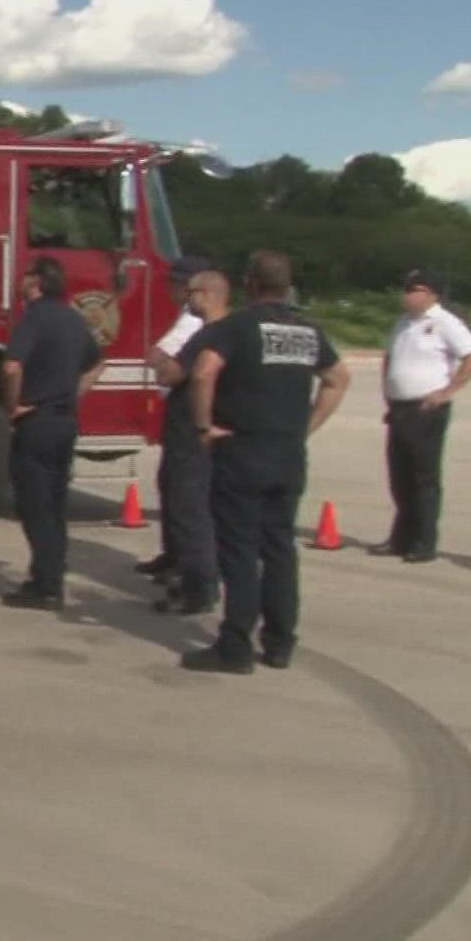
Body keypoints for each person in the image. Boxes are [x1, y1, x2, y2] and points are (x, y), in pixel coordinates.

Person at [185, 251, 350, 673]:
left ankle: (236, 645)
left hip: (243, 450)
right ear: (287, 285)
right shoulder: (307, 330)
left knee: (239, 550)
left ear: (251, 284)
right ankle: (280, 641)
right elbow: (337, 379)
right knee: (279, 549)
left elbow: (204, 373)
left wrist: (204, 428)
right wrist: (306, 427)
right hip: (288, 455)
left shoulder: (237, 327)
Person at [0, 257, 105, 611]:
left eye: (26, 275)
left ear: (36, 283)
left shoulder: (35, 318)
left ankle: (44, 585)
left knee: (35, 505)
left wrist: (13, 406)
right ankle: (52, 576)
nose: (20, 280)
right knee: (56, 505)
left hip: (38, 423)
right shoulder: (74, 319)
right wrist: (71, 394)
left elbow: (12, 366)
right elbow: (97, 363)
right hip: (65, 423)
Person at [374, 268, 471, 563]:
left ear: (432, 294)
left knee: (424, 478)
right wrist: (388, 392)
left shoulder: (445, 323)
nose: (408, 295)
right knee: (399, 477)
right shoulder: (402, 323)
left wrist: (447, 392)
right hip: (399, 408)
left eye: (416, 289)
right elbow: (389, 358)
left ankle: (424, 542)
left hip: (427, 409)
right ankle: (400, 537)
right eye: (407, 289)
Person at [150, 268, 232, 615]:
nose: (187, 297)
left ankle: (198, 588)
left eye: (192, 292)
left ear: (208, 294)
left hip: (191, 431)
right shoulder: (239, 330)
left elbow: (173, 372)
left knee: (189, 510)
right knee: (212, 509)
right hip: (226, 432)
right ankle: (208, 577)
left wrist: (161, 360)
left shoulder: (207, 334)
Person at [136, 259, 211, 582]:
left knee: (184, 494)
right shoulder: (186, 316)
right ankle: (173, 554)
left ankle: (186, 567)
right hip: (178, 410)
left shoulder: (192, 322)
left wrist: (159, 359)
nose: (170, 287)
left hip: (186, 413)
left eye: (177, 282)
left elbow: (158, 357)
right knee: (170, 485)